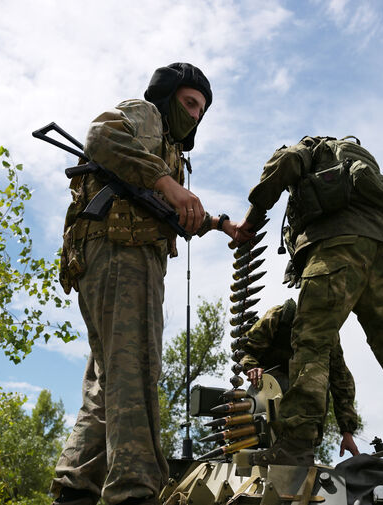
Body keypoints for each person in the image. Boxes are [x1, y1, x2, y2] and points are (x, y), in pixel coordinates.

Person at [50, 63, 238, 505]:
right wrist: (169, 184)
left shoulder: (166, 148)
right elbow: (101, 135)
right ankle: (133, 492)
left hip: (116, 254)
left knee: (108, 384)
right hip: (121, 252)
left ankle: (75, 491)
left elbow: (169, 210)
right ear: (168, 96)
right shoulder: (146, 114)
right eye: (189, 103)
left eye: (202, 111)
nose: (195, 115)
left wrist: (219, 224)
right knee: (136, 368)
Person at [233, 135, 383, 466]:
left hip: (336, 247)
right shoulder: (360, 164)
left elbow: (286, 162)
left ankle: (296, 445)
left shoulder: (311, 148)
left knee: (311, 342)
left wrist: (254, 213)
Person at [239, 298, 360, 460]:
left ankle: (300, 445)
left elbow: (342, 381)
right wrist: (251, 367)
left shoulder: (328, 336)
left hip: (303, 401)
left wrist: (347, 431)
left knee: (318, 380)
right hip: (266, 393)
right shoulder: (279, 317)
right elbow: (246, 349)